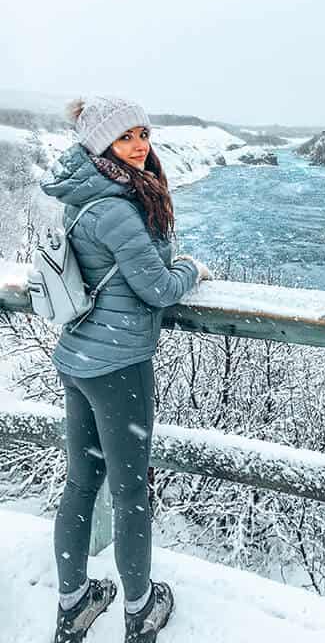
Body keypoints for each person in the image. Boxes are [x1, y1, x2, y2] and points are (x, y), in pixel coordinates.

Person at [40, 96, 212, 643]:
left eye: (143, 132)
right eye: (126, 137)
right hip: (119, 366)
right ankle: (140, 611)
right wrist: (191, 267)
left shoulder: (88, 194)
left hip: (80, 358)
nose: (140, 144)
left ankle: (74, 605)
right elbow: (158, 287)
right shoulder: (117, 207)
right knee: (132, 492)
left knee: (82, 481)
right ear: (100, 146)